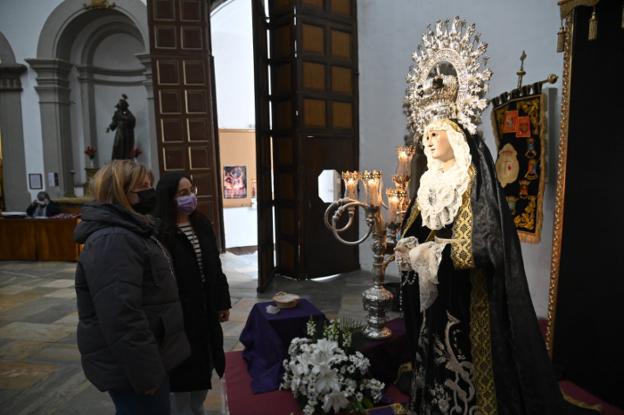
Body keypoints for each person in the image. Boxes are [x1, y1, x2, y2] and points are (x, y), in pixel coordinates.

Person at [74, 160, 190, 415]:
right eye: (143, 188)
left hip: (149, 355)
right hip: (134, 366)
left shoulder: (134, 230)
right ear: (120, 194)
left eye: (150, 185)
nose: (151, 193)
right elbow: (121, 315)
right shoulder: (114, 239)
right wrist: (146, 373)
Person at [153, 172, 231, 415]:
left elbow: (215, 267)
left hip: (205, 311)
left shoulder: (201, 223)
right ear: (169, 198)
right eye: (183, 193)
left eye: (191, 190)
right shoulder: (160, 232)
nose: (190, 197)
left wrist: (222, 301)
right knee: (181, 380)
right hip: (179, 315)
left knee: (202, 370)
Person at [107, 94, 136, 160]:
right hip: (120, 132)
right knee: (118, 145)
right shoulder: (117, 113)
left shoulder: (129, 113)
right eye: (120, 105)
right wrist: (109, 127)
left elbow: (132, 120)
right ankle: (118, 160)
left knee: (126, 147)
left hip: (128, 133)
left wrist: (125, 118)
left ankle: (126, 159)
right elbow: (114, 122)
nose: (120, 107)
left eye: (122, 105)